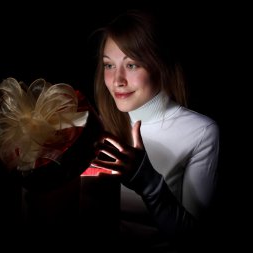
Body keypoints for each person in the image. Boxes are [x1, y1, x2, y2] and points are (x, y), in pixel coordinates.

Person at [90, 9, 220, 252]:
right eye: (109, 65)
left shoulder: (201, 132)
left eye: (131, 64)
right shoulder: (97, 126)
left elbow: (196, 240)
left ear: (160, 65)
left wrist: (148, 182)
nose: (117, 79)